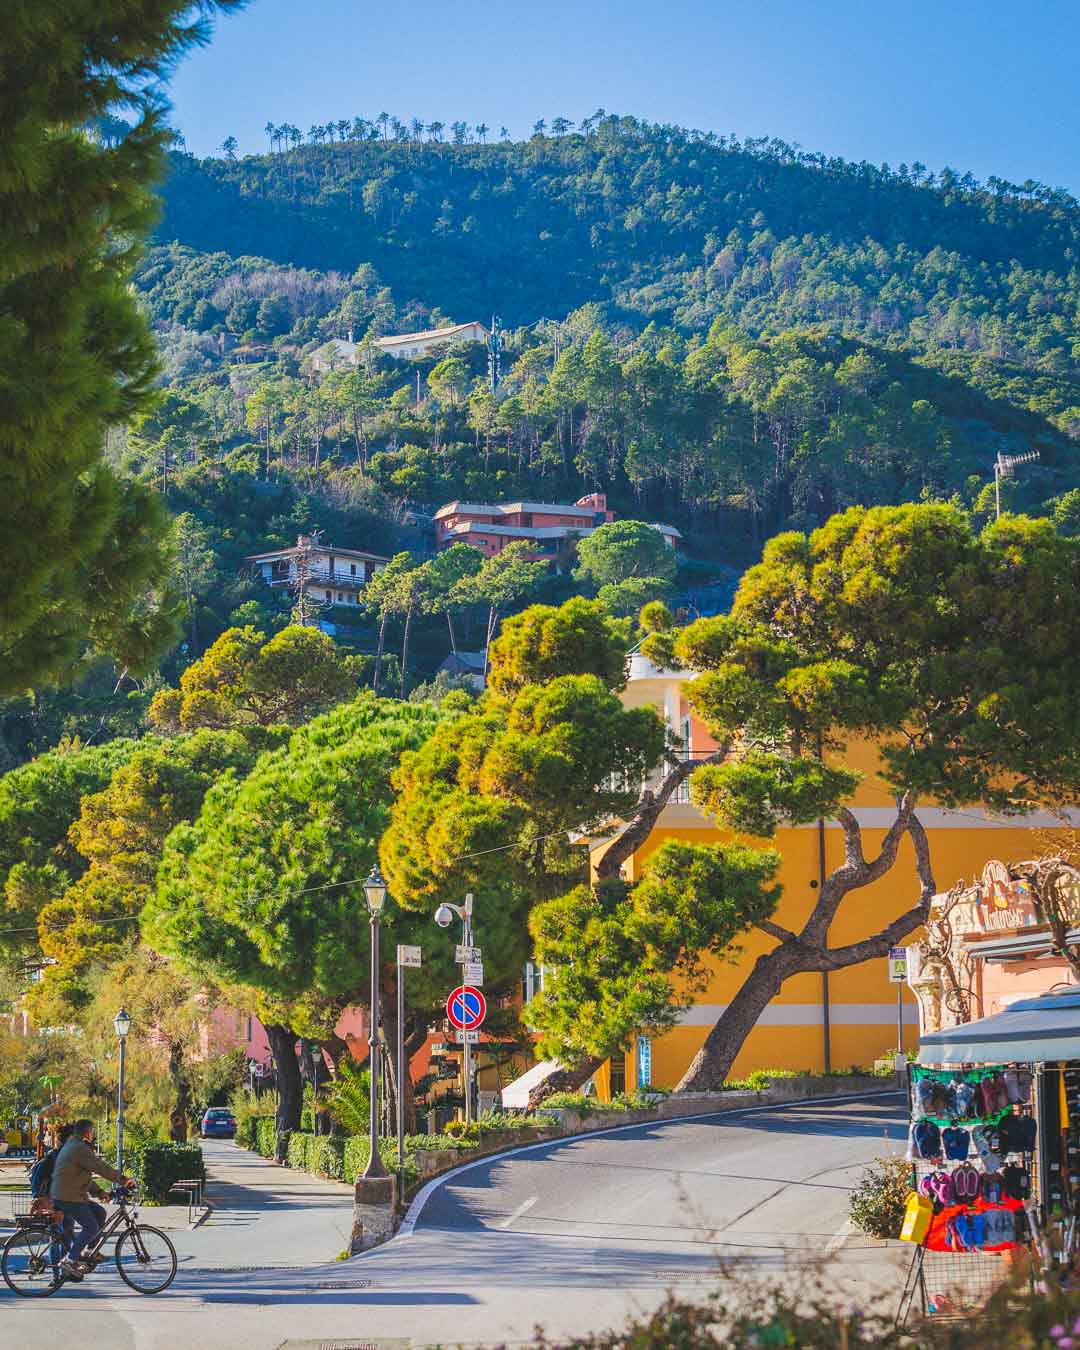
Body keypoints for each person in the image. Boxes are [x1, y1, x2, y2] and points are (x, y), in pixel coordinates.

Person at [49, 1119, 134, 1279]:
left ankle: (89, 1251)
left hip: (70, 1194)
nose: (93, 1134)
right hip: (68, 1197)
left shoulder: (73, 1145)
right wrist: (124, 1180)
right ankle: (70, 1260)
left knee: (100, 1212)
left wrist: (100, 1192)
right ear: (88, 1132)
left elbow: (82, 1177)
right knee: (91, 1228)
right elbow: (100, 1167)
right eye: (92, 1131)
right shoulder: (79, 1148)